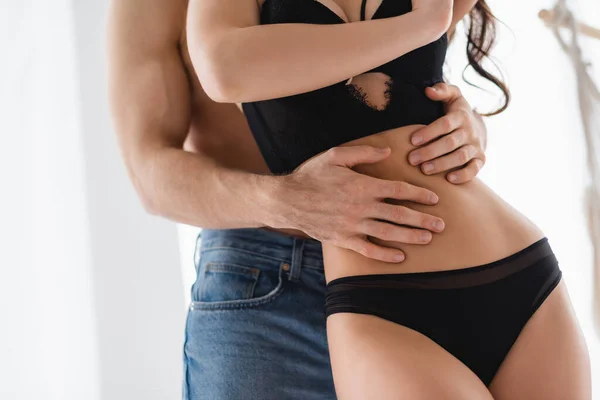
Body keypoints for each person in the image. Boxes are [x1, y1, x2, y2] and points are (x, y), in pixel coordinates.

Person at [185, 0, 592, 399]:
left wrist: (470, 126)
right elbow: (223, 68)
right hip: (380, 303)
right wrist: (423, 23)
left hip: (519, 272)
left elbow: (421, 90)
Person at [108, 0, 495, 398]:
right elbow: (149, 174)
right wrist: (283, 200)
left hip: (420, 259)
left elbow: (409, 85)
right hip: (269, 280)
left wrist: (468, 130)